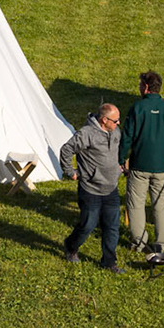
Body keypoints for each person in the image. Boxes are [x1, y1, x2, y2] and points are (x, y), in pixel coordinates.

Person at [120, 71, 164, 264]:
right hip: (161, 168)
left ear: (146, 87)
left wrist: (122, 158)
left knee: (136, 204)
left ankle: (140, 242)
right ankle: (161, 243)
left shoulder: (137, 108)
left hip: (139, 165)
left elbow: (126, 137)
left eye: (140, 85)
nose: (139, 88)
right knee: (160, 205)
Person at [59, 103, 124, 272]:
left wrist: (120, 168)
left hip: (111, 188)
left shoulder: (115, 131)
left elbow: (118, 151)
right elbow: (66, 150)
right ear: (104, 120)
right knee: (88, 224)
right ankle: (71, 246)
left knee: (112, 227)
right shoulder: (86, 134)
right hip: (91, 188)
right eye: (116, 120)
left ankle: (109, 262)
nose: (118, 123)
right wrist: (70, 171)